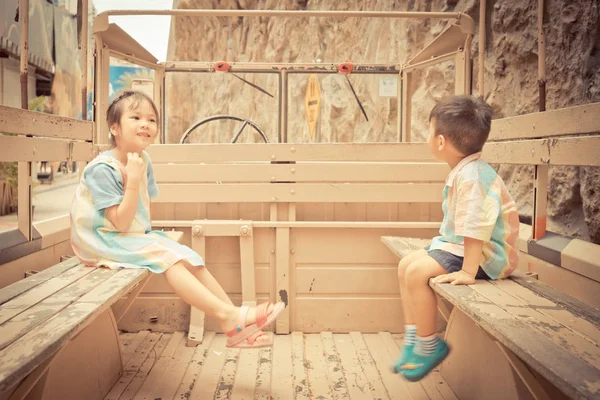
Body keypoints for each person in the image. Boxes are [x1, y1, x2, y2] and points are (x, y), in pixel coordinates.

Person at [70, 90, 284, 348]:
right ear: (114, 128)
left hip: (126, 235)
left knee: (188, 256)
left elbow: (142, 213)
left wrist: (149, 233)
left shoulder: (141, 159)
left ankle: (236, 325)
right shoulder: (102, 169)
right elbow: (120, 222)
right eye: (136, 117)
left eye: (151, 120)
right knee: (168, 259)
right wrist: (133, 181)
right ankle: (228, 316)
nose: (145, 125)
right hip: (100, 240)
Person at [392, 95, 520, 381]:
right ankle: (414, 341)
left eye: (429, 131)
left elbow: (475, 228)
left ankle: (429, 346)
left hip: (486, 257)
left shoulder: (473, 177)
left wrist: (467, 271)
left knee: (416, 274)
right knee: (405, 266)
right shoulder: (465, 170)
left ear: (440, 142)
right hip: (465, 247)